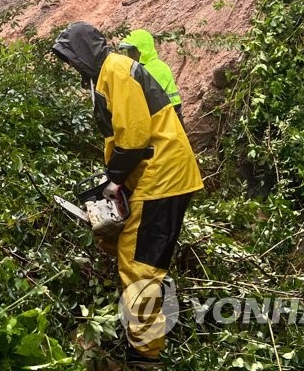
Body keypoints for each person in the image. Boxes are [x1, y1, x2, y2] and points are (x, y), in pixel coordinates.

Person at [52, 21, 202, 368]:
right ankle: (147, 316)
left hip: (161, 178)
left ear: (84, 53)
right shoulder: (108, 74)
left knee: (140, 266)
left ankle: (145, 356)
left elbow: (133, 137)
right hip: (154, 176)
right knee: (128, 250)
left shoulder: (116, 71)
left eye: (72, 59)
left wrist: (114, 180)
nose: (72, 67)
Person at [119, 29, 184, 125]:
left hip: (169, 116)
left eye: (133, 50)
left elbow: (148, 98)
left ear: (142, 49)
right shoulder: (141, 69)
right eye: (129, 51)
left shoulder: (156, 68)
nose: (130, 55)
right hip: (162, 115)